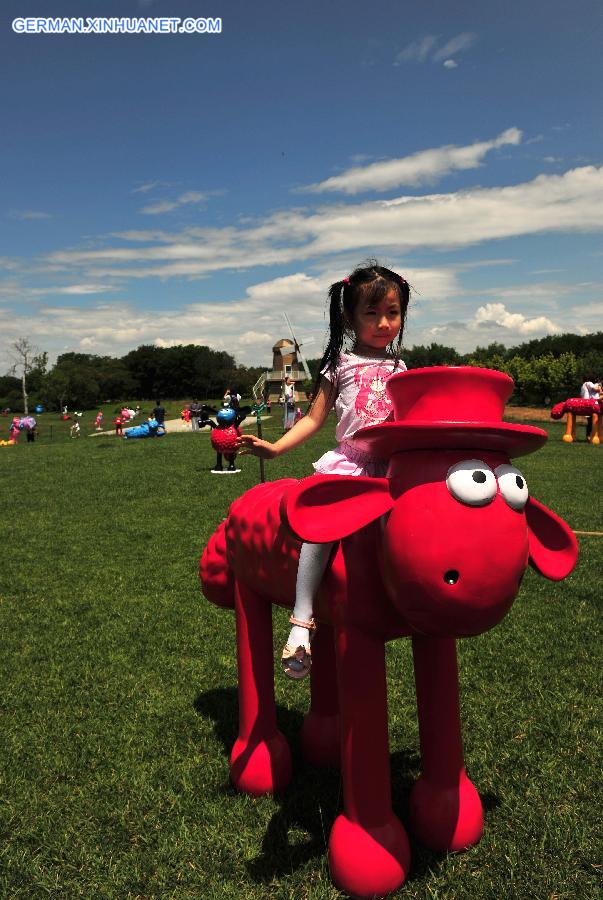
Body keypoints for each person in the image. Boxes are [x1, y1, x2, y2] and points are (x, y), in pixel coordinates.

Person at [237, 262, 410, 678]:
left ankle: (408, 602)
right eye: (371, 314)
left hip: (392, 467)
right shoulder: (340, 365)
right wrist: (275, 448)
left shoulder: (401, 369)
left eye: (392, 312)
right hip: (350, 463)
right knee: (319, 531)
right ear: (350, 318)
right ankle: (301, 618)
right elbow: (314, 420)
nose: (383, 323)